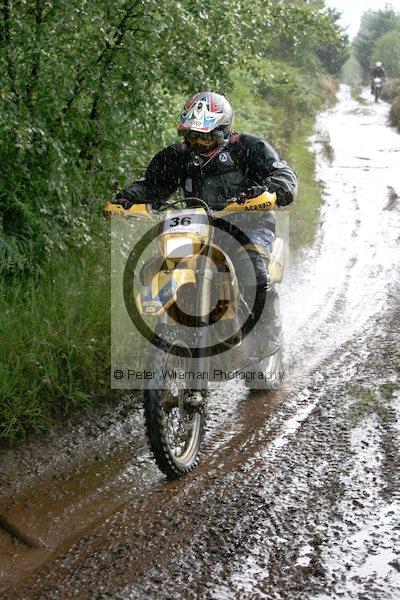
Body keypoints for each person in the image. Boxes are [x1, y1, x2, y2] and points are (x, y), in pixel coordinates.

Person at [114, 91, 298, 350]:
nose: (199, 142)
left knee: (253, 268)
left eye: (207, 136)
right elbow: (151, 185)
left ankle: (269, 332)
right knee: (154, 269)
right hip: (198, 229)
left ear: (224, 130)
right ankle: (180, 323)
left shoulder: (248, 148)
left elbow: (283, 175)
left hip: (248, 224)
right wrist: (128, 198)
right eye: (193, 135)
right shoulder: (176, 156)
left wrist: (270, 190)